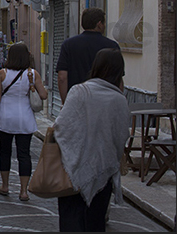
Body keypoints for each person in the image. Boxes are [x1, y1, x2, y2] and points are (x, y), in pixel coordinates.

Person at [53, 48, 130, 232]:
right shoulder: (120, 100)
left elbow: (61, 127)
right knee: (96, 223)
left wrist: (75, 149)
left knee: (72, 223)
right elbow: (121, 137)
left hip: (73, 171)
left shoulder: (79, 91)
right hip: (103, 173)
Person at [0, 43, 47, 202]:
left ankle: (5, 186)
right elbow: (44, 95)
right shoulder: (33, 74)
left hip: (5, 117)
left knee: (5, 152)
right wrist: (32, 86)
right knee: (24, 154)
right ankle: (23, 191)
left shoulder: (2, 73)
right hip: (24, 119)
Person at [57, 7, 120, 104]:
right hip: (105, 101)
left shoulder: (68, 45)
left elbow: (62, 77)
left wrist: (65, 102)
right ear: (99, 24)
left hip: (77, 100)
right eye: (103, 23)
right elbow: (118, 78)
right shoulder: (112, 46)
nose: (104, 26)